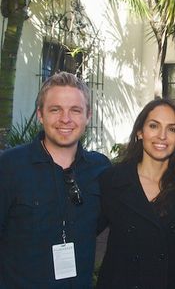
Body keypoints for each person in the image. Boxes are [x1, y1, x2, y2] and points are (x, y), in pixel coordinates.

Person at [0, 72, 110, 288]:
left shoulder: (100, 169)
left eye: (75, 110)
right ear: (40, 114)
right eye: (55, 109)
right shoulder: (10, 166)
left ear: (88, 116)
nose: (65, 119)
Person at [96, 98, 175, 289]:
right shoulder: (112, 181)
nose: (162, 136)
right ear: (140, 132)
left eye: (172, 129)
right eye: (154, 126)